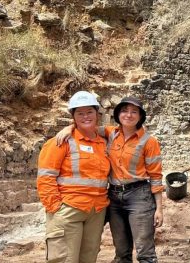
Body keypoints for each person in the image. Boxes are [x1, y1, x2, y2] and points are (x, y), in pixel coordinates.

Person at [58, 96, 164, 263]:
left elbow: (156, 176)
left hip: (139, 196)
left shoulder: (149, 142)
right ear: (118, 114)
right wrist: (68, 128)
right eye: (124, 111)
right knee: (121, 252)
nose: (128, 115)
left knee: (145, 252)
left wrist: (159, 208)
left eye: (134, 111)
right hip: (114, 197)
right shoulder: (110, 133)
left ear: (141, 116)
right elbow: (86, 126)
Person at [37, 91, 110, 263]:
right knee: (64, 259)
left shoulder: (104, 142)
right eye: (80, 113)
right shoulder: (61, 141)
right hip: (69, 209)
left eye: (89, 112)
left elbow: (126, 128)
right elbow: (45, 177)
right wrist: (55, 207)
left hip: (96, 212)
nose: (86, 116)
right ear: (73, 116)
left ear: (97, 114)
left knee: (89, 258)